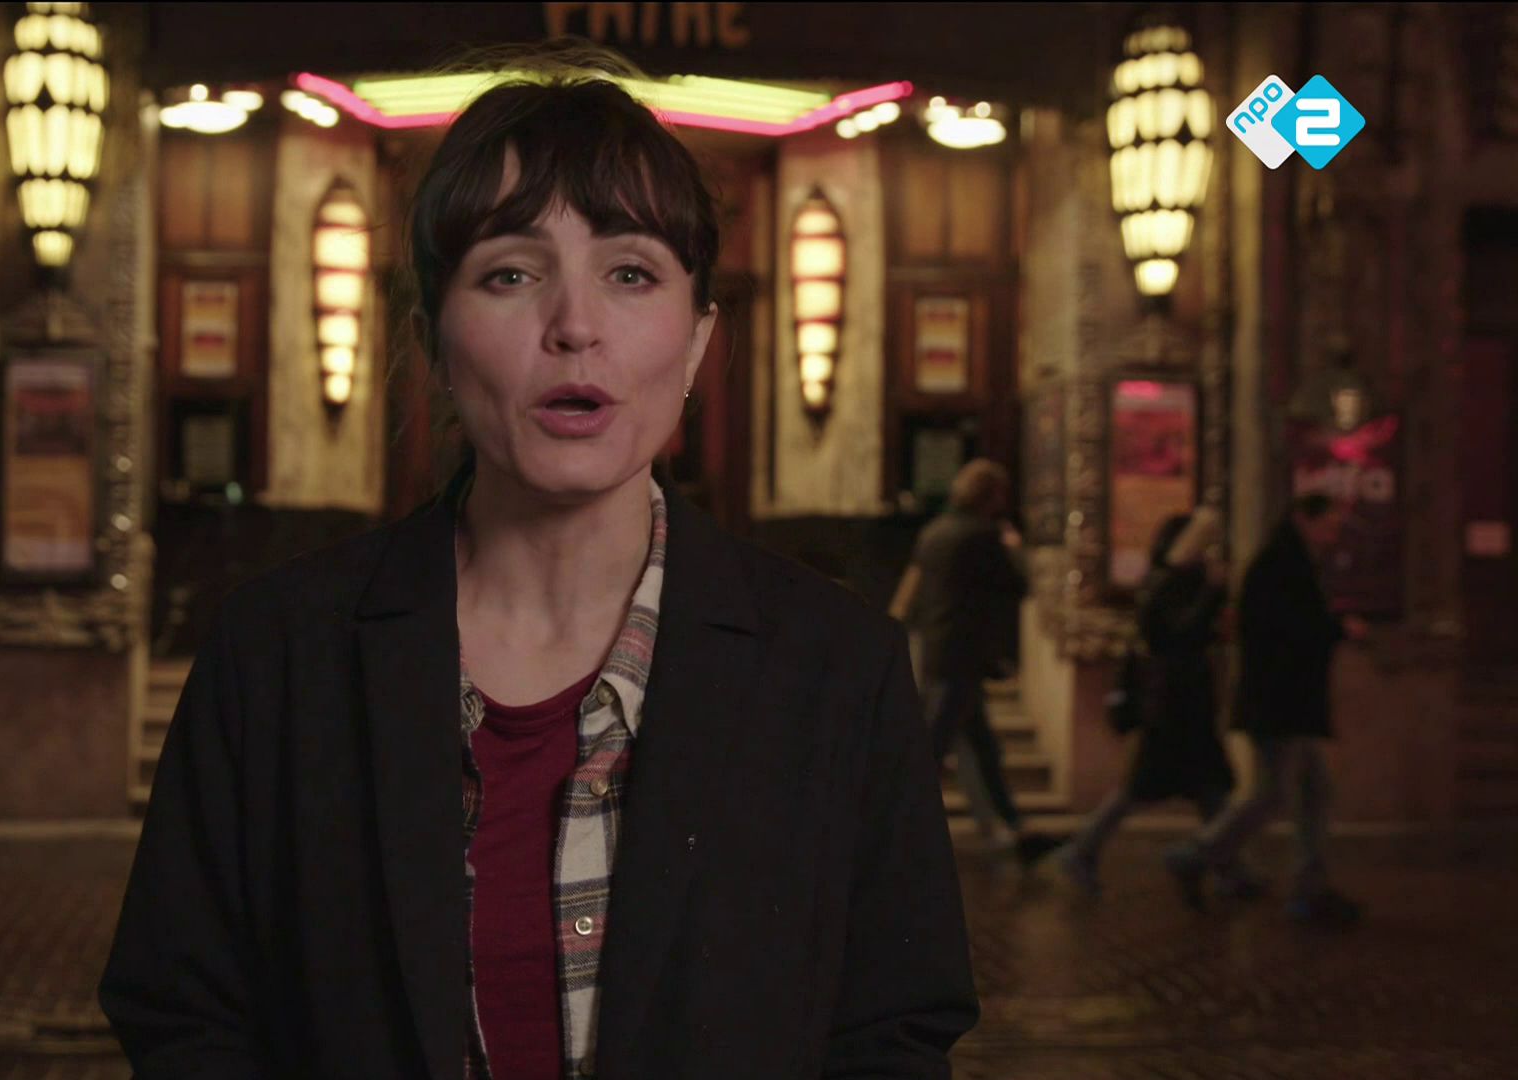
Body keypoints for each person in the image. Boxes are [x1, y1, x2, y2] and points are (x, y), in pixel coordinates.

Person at [100, 59, 977, 1079]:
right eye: (510, 274)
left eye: (631, 272)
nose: (575, 326)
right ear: (431, 341)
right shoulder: (277, 657)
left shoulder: (837, 670)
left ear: (698, 342)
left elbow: (894, 1032)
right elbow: (185, 1015)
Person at [1166, 494, 1368, 924]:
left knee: (1313, 791)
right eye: (1328, 525)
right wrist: (1337, 627)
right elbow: (1289, 630)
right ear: (1303, 519)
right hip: (1280, 702)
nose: (1333, 536)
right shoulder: (1280, 566)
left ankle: (1309, 887)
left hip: (1285, 701)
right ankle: (1195, 854)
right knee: (1271, 794)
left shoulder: (1288, 562)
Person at [1053, 509, 1261, 898]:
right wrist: (1213, 594)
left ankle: (1226, 866)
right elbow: (1180, 633)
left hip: (1184, 703)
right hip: (1174, 707)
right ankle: (1083, 850)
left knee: (1207, 789)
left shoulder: (1175, 582)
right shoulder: (1166, 585)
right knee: (1150, 788)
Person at [905, 458, 1061, 866]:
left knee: (981, 745)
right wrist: (1014, 547)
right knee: (933, 748)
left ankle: (1014, 826)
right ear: (990, 496)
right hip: (964, 655)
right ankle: (885, 829)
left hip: (937, 649)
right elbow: (1017, 584)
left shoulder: (933, 532)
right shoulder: (983, 535)